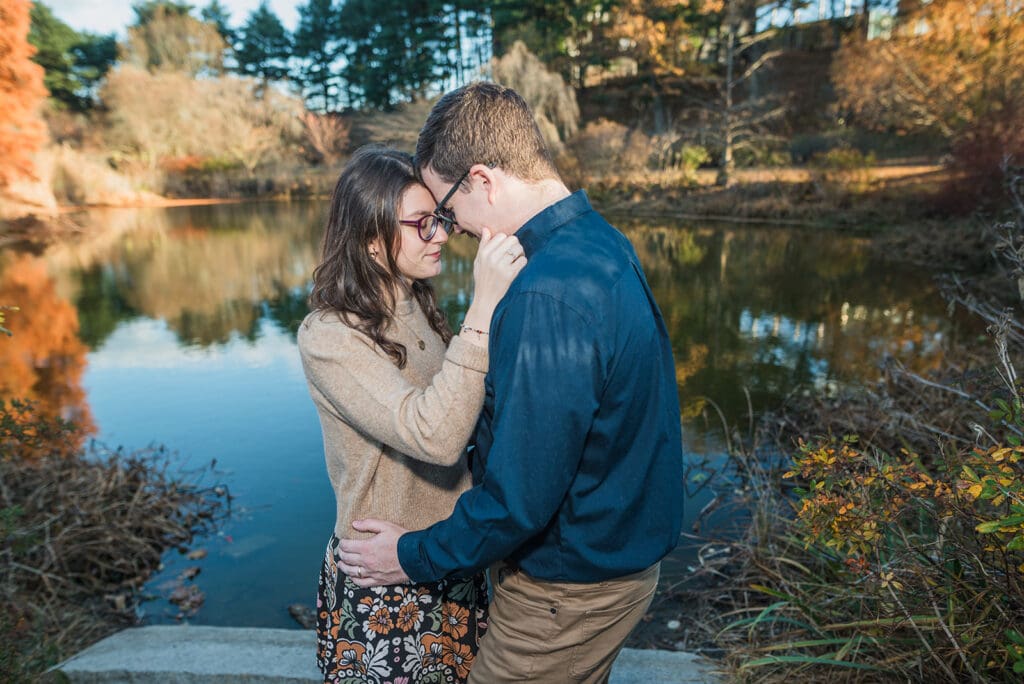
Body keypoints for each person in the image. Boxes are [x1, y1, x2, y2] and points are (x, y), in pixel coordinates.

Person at [337, 84, 685, 683]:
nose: (451, 230)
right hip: (609, 564)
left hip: (566, 592)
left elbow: (520, 498)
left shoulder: (546, 292)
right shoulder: (599, 242)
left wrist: (409, 556)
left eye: (448, 211)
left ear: (482, 180)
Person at [297, 144, 526, 683]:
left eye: (440, 218)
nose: (441, 234)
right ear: (372, 240)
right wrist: (483, 307)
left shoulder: (418, 302)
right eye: (423, 224)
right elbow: (436, 436)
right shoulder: (330, 335)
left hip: (445, 558)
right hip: (383, 581)